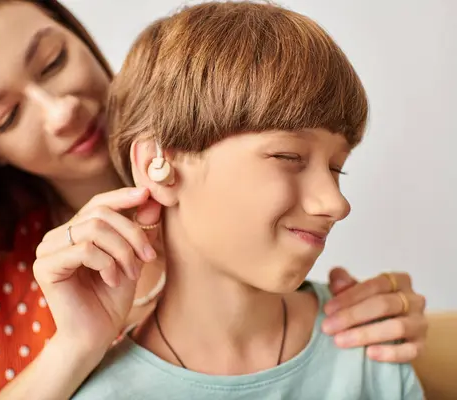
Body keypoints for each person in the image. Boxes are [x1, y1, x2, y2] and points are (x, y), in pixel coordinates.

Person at [0, 0, 426, 399]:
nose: (62, 110)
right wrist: (74, 350)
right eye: (7, 116)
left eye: (53, 60)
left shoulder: (215, 108)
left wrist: (398, 322)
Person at [71, 2, 424, 399]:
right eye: (289, 157)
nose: (336, 203)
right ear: (160, 163)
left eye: (337, 168)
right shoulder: (106, 392)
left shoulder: (370, 348)